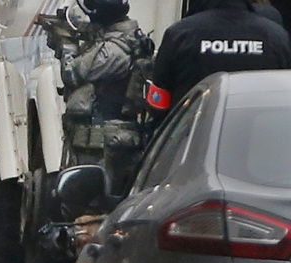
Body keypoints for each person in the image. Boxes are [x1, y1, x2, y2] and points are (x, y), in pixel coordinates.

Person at [51, 0, 147, 198]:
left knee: (87, 199)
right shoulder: (120, 41)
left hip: (103, 140)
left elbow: (72, 73)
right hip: (103, 138)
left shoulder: (116, 49)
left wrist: (67, 46)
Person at [152, 0, 291, 109]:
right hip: (257, 137)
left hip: (192, 137)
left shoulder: (180, 34)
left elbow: (159, 101)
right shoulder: (276, 37)